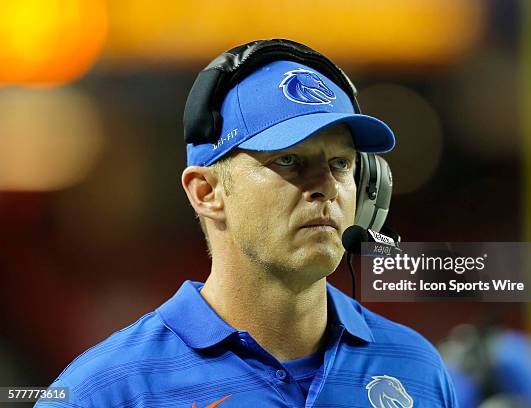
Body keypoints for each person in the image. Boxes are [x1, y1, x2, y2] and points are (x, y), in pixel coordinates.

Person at [36, 41, 458, 408]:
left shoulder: (416, 367)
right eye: (289, 161)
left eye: (341, 164)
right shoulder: (106, 391)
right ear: (206, 192)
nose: (326, 188)